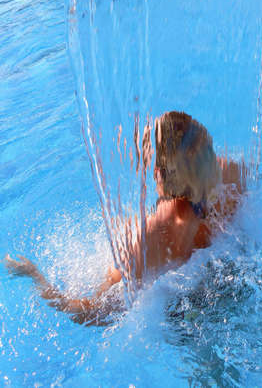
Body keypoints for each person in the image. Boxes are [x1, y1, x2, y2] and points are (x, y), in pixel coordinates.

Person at [5, 111, 246, 324]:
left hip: (183, 313)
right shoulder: (231, 177)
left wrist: (38, 280)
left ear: (158, 175)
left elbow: (94, 313)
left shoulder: (146, 239)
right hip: (230, 281)